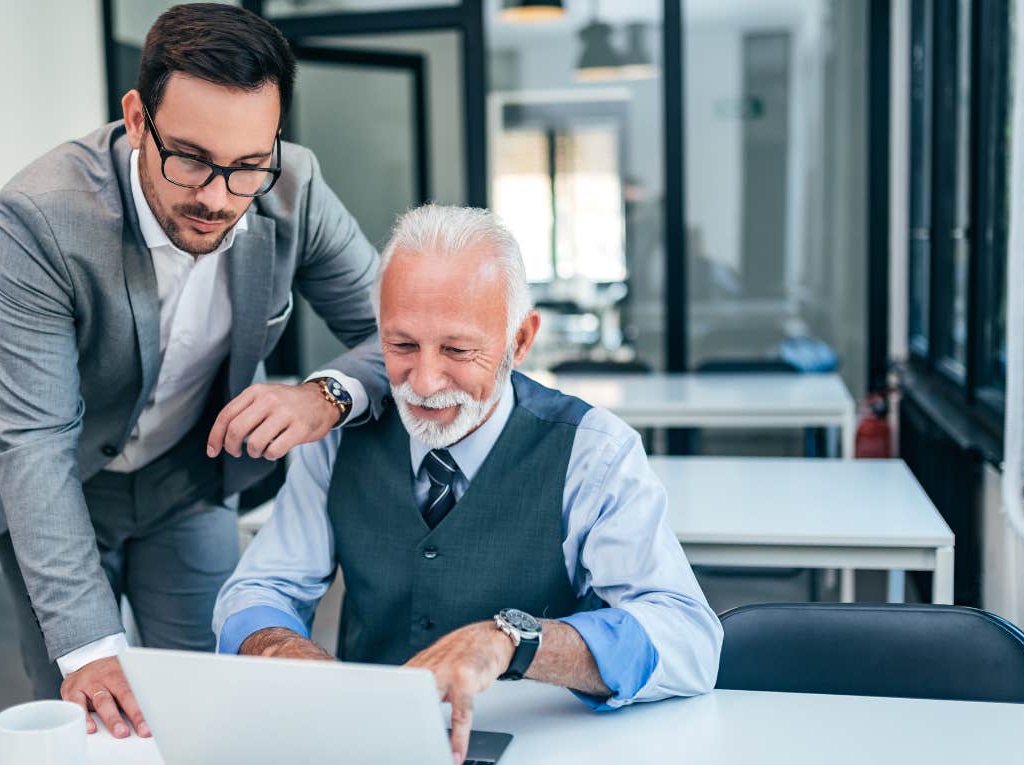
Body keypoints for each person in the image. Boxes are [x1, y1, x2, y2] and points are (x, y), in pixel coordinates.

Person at [0, 4, 387, 739]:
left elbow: (390, 332)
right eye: (192, 159)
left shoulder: (294, 185)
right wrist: (94, 650)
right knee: (85, 703)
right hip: (57, 477)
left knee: (207, 689)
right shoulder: (38, 217)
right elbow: (36, 442)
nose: (217, 196)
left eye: (246, 166)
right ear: (137, 118)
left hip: (186, 474)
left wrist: (326, 394)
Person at [213, 204, 722, 765]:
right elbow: (258, 591)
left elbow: (688, 639)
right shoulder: (336, 443)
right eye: (402, 346)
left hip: (547, 746)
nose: (425, 382)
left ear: (520, 340)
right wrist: (287, 653)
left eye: (457, 350)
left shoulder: (593, 451)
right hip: (373, 747)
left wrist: (516, 640)